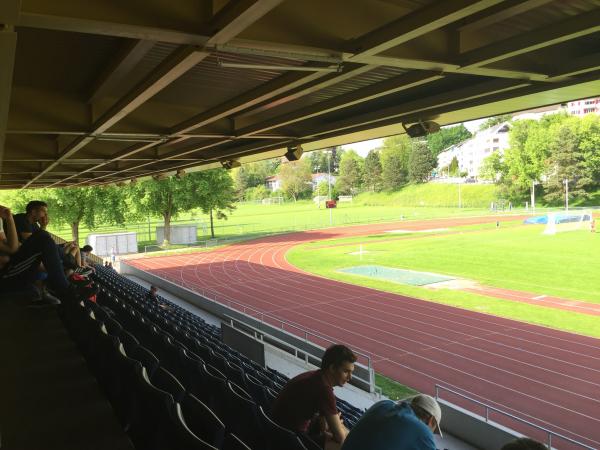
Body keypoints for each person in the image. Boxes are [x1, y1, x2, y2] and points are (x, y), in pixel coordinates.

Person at [271, 344, 356, 449]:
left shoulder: (315, 376)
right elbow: (340, 438)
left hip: (276, 430)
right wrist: (338, 427)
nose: (350, 377)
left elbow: (323, 426)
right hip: (288, 440)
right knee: (343, 445)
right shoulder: (324, 390)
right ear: (332, 368)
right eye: (346, 371)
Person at [341, 394, 442, 450]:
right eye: (433, 430)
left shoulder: (382, 404)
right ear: (431, 421)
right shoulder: (422, 431)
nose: (431, 434)